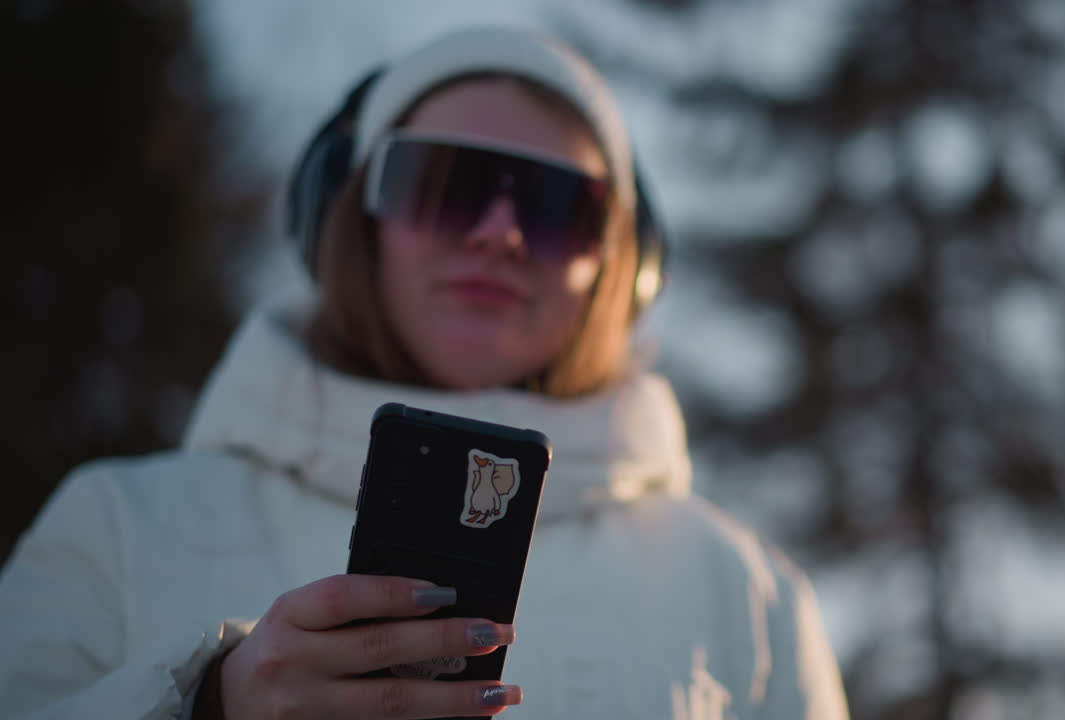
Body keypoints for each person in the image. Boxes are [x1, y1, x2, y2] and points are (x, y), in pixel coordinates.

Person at [0, 26, 849, 719]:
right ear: (352, 218)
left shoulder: (748, 597)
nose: (500, 232)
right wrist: (207, 711)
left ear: (623, 268)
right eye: (445, 184)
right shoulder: (115, 525)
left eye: (559, 211)